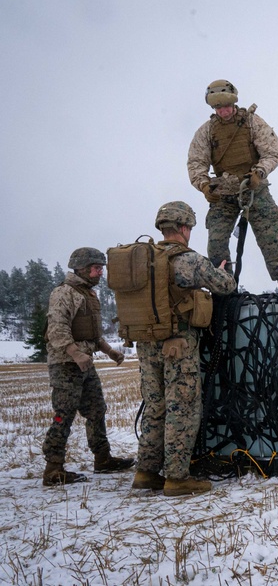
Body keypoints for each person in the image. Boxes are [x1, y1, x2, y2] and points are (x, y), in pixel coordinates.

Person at [132, 201, 236, 496]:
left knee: (156, 407)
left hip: (146, 344)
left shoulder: (142, 259)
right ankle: (177, 478)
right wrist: (220, 271)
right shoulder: (187, 259)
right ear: (183, 228)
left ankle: (146, 472)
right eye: (188, 227)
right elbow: (225, 286)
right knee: (183, 407)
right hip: (177, 344)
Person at [186, 79, 278, 293]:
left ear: (233, 103)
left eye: (226, 106)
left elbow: (272, 151)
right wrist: (205, 186)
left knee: (269, 237)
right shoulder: (206, 132)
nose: (223, 111)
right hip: (223, 193)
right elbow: (196, 162)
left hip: (253, 189)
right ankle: (225, 290)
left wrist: (259, 172)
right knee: (216, 243)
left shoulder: (252, 122)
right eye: (218, 108)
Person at [42, 247, 134, 486]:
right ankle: (53, 469)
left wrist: (110, 351)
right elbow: (56, 330)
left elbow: (92, 334)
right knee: (63, 414)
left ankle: (102, 459)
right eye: (96, 268)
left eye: (101, 267)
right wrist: (74, 353)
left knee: (96, 410)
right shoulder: (64, 293)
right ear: (82, 268)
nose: (100, 272)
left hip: (84, 363)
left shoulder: (88, 295)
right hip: (65, 364)